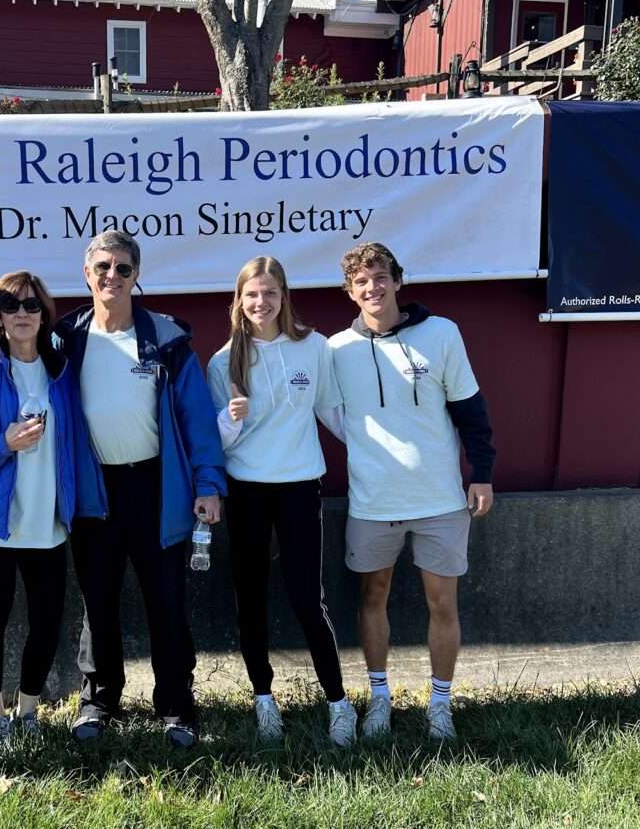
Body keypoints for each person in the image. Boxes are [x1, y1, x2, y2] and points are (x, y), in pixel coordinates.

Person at [64, 230, 225, 748]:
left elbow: (198, 419)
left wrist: (209, 484)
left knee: (167, 604)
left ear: (137, 276)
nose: (112, 276)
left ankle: (177, 706)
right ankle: (98, 700)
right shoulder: (65, 340)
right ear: (87, 274)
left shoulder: (167, 340)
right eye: (103, 267)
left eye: (123, 268)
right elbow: (21, 362)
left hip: (157, 488)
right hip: (96, 492)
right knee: (99, 602)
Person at [329, 242, 495, 742]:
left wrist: (482, 472)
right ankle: (379, 698)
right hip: (373, 502)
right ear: (350, 292)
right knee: (371, 595)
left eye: (380, 277)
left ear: (397, 281)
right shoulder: (335, 350)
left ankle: (439, 705)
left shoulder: (442, 334)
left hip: (441, 500)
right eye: (361, 282)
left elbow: (471, 410)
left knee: (443, 604)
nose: (372, 288)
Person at [0, 271, 100, 749]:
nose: (23, 313)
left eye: (32, 306)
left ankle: (28, 711)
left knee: (47, 621)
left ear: (45, 315)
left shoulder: (63, 375)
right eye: (11, 306)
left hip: (48, 524)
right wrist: (3, 443)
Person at [207, 256, 357, 746]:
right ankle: (263, 700)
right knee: (249, 599)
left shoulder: (314, 347)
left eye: (269, 293)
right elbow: (216, 444)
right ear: (239, 300)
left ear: (284, 296)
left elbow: (333, 413)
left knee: (306, 599)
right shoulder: (223, 361)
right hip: (246, 490)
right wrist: (233, 418)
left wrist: (378, 455)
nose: (260, 303)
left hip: (299, 486)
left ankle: (338, 703)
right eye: (251, 294)